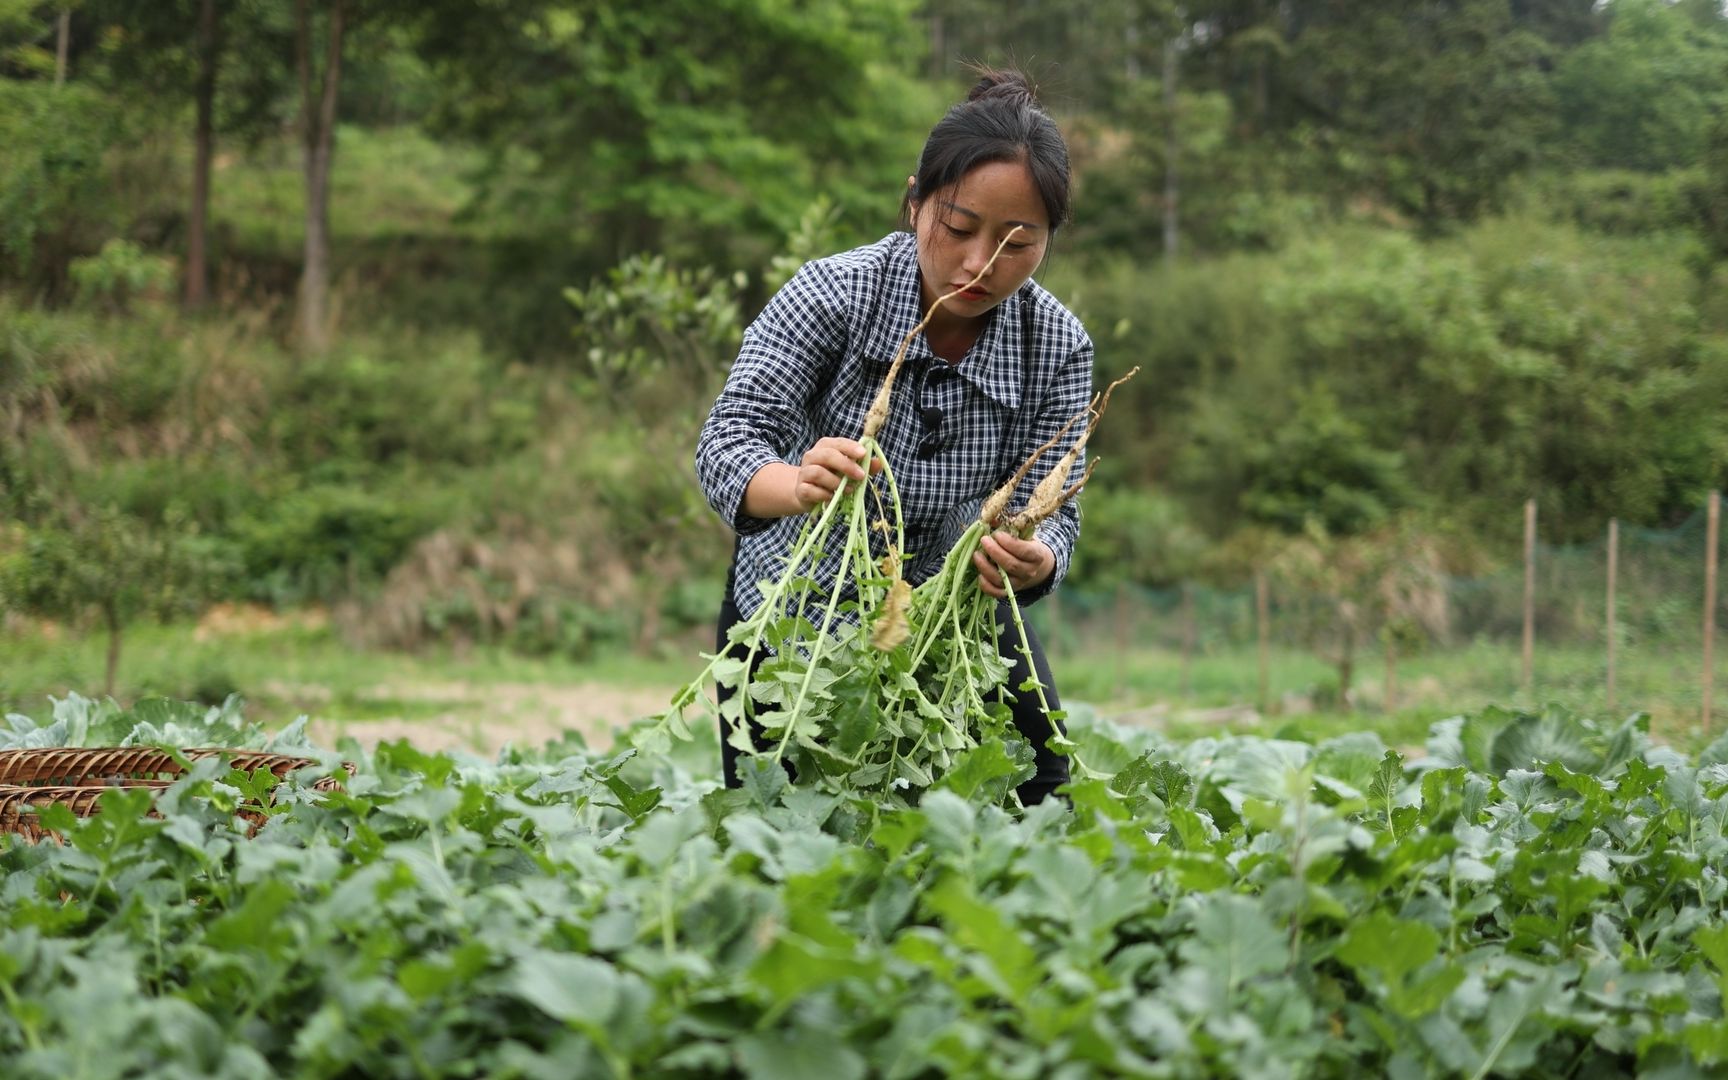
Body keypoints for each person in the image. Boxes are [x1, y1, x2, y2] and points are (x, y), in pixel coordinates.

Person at [694, 67, 1094, 806]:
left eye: (1017, 243)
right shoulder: (832, 294)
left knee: (1041, 796)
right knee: (777, 820)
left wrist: (1037, 558)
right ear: (915, 203)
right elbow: (727, 440)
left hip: (956, 622)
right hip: (794, 619)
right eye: (960, 228)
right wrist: (795, 484)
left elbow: (1059, 507)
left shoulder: (1058, 344)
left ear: (1048, 241)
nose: (980, 264)